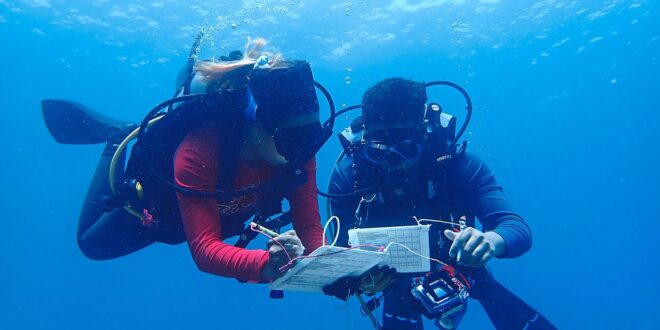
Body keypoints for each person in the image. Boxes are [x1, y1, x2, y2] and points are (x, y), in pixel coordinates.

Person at [41, 38, 325, 282]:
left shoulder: (298, 150)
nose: (299, 153)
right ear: (255, 123)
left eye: (308, 139)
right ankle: (118, 136)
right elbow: (204, 249)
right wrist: (265, 265)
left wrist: (337, 270)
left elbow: (310, 226)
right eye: (289, 140)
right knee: (92, 245)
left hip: (219, 216)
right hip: (165, 213)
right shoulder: (199, 151)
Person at [325, 78, 553, 329]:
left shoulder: (458, 166)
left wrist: (490, 241)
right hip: (393, 282)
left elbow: (515, 228)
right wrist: (352, 277)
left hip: (460, 269)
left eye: (407, 149)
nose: (394, 162)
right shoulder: (350, 176)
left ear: (425, 133)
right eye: (379, 150)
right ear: (365, 139)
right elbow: (341, 245)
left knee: (483, 287)